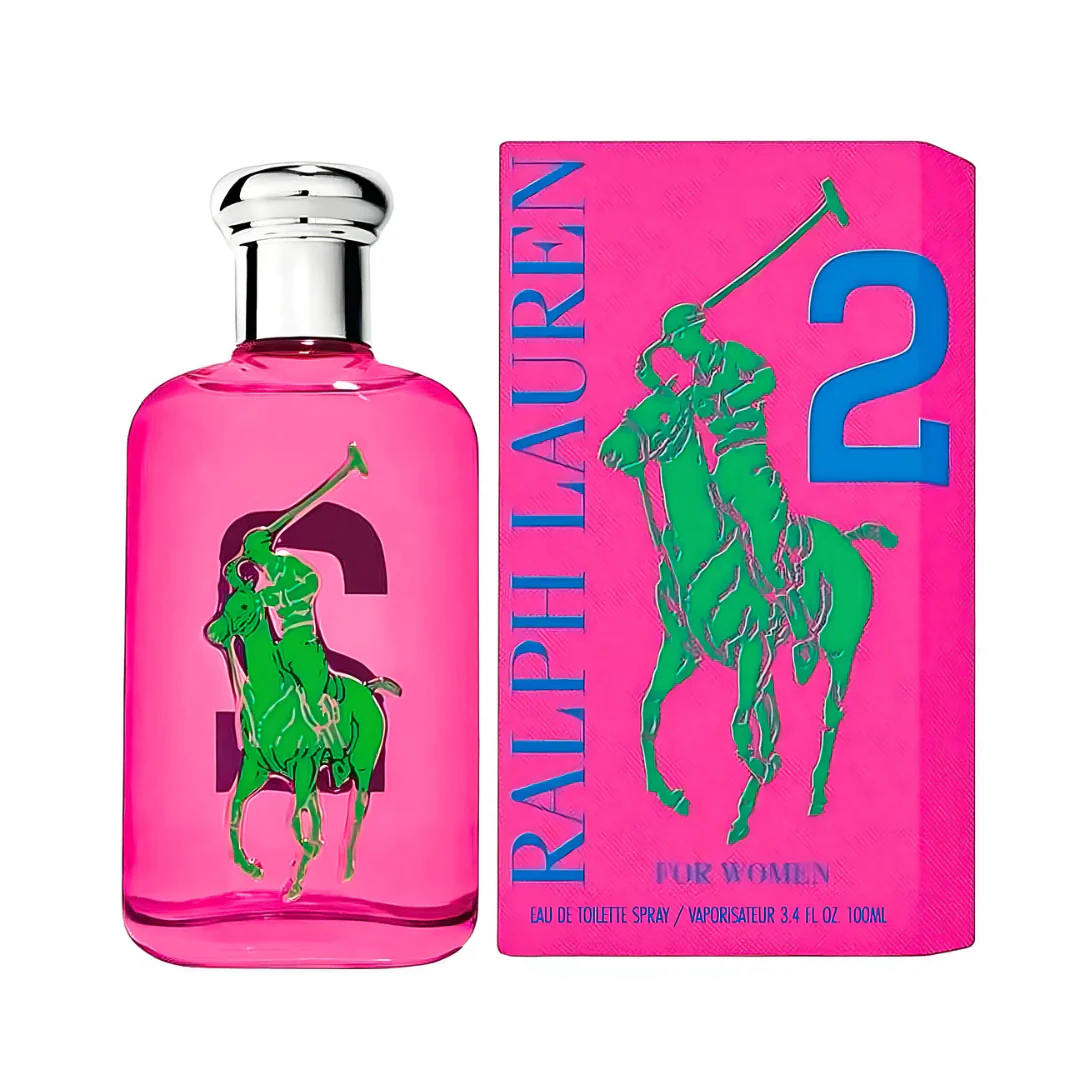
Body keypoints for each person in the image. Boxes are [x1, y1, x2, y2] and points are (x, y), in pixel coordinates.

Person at [636, 303, 812, 647]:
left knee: (762, 545)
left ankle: (798, 622)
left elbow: (767, 378)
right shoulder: (695, 382)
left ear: (691, 333)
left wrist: (726, 401)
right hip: (723, 467)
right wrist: (651, 382)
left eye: (676, 340)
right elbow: (673, 408)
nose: (676, 349)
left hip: (750, 461)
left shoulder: (731, 354)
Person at [240, 527, 350, 785]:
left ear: (263, 548)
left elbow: (312, 582)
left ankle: (337, 755)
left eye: (253, 553)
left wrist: (282, 595)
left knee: (313, 699)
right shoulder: (267, 578)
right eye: (250, 555)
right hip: (284, 642)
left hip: (302, 639)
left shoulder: (286, 563)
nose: (254, 559)